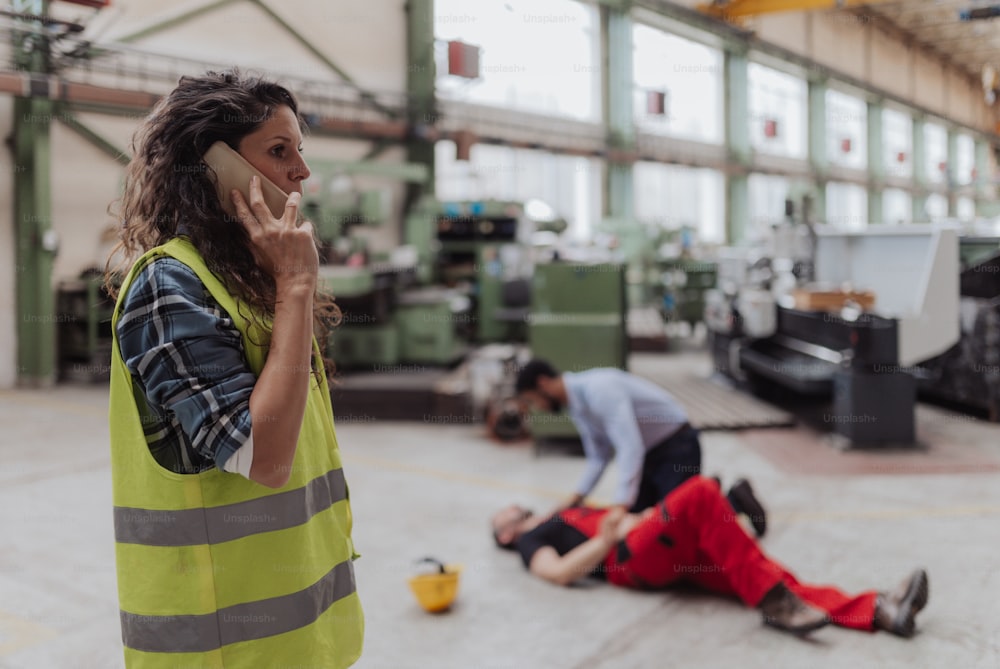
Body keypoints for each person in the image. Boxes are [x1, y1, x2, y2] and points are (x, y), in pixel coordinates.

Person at [104, 71, 363, 668]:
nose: (301, 171)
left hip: (301, 631)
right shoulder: (170, 285)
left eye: (300, 150)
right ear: (213, 165)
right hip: (222, 641)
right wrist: (296, 285)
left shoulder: (244, 281)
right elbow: (264, 458)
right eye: (278, 152)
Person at [491, 476, 928, 638]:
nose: (513, 507)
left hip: (657, 548)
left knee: (758, 573)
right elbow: (558, 574)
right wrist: (605, 541)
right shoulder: (533, 540)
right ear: (506, 533)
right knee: (700, 491)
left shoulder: (562, 512)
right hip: (628, 560)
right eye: (504, 516)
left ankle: (879, 610)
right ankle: (725, 508)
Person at [515, 359, 767, 535]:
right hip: (650, 454)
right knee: (640, 524)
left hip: (676, 445)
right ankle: (705, 493)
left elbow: (629, 446)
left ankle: (733, 501)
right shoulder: (576, 407)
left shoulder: (599, 389)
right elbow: (598, 457)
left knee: (673, 524)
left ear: (543, 383)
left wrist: (620, 503)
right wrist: (576, 497)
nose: (536, 407)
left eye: (531, 399)